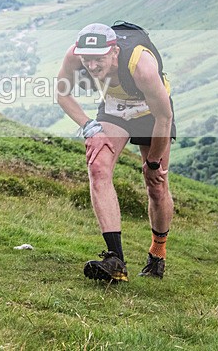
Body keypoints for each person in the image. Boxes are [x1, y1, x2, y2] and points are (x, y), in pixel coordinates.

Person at [56, 23, 176, 282]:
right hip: (114, 109)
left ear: (114, 51)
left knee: (156, 186)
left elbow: (164, 117)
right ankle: (115, 260)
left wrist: (153, 163)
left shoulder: (141, 66)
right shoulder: (74, 55)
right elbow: (62, 94)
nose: (92, 66)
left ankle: (157, 253)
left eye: (98, 59)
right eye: (87, 59)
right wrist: (90, 127)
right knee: (97, 167)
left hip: (152, 114)